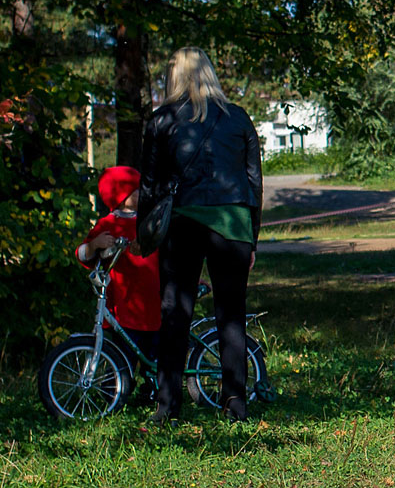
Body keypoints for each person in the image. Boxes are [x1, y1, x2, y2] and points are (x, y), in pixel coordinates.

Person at [138, 47, 263, 423]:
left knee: (175, 313)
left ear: (173, 76)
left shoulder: (162, 120)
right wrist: (252, 238)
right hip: (233, 223)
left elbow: (149, 184)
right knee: (231, 314)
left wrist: (146, 233)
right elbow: (254, 182)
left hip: (183, 223)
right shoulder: (238, 118)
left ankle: (167, 407)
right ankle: (235, 403)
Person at [76, 165, 160, 363]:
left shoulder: (149, 222)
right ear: (121, 195)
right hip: (124, 307)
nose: (142, 193)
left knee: (155, 361)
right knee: (122, 360)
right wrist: (95, 244)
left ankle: (151, 384)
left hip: (155, 303)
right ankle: (119, 383)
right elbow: (82, 254)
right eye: (136, 190)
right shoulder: (108, 224)